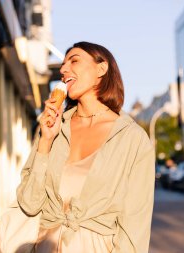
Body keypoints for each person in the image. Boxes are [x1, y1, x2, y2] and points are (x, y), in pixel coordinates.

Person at [17, 41, 155, 253]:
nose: (63, 70)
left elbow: (135, 224)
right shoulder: (52, 127)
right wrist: (45, 141)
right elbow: (29, 203)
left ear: (101, 68)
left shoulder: (132, 138)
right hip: (45, 246)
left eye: (74, 61)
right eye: (63, 65)